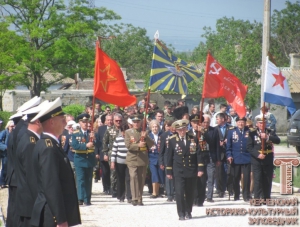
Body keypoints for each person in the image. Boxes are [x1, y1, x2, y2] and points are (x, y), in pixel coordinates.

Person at [30, 97, 81, 227]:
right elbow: (51, 185)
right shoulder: (49, 148)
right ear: (51, 122)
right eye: (62, 120)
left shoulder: (52, 145)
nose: (65, 123)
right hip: (50, 215)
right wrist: (60, 219)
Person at [6, 96, 41, 227]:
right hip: (20, 178)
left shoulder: (19, 128)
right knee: (18, 215)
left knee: (15, 213)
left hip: (15, 176)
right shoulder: (24, 131)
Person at [15, 100, 48, 226]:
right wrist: (40, 204)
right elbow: (32, 177)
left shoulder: (30, 139)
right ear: (38, 121)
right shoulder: (30, 143)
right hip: (30, 203)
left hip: (28, 202)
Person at [166, 119, 202, 220]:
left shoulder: (193, 138)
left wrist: (200, 168)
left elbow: (198, 155)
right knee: (179, 192)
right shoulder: (172, 140)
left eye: (184, 129)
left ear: (186, 129)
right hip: (179, 170)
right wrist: (169, 171)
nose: (182, 131)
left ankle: (188, 211)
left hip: (191, 170)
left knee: (190, 192)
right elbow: (169, 157)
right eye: (180, 129)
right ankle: (181, 213)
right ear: (176, 130)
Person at [247, 115, 280, 200]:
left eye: (264, 123)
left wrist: (268, 137)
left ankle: (266, 197)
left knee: (267, 178)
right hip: (257, 159)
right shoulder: (252, 133)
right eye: (260, 123)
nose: (262, 125)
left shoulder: (270, 132)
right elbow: (249, 147)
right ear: (257, 124)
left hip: (268, 158)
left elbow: (278, 140)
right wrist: (257, 155)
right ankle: (257, 198)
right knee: (257, 179)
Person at [124, 114, 154, 206]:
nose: (136, 124)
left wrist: (145, 137)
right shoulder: (128, 132)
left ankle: (140, 198)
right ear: (132, 123)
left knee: (141, 178)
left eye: (138, 122)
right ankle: (134, 198)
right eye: (134, 122)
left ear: (141, 123)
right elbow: (128, 145)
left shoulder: (144, 132)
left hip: (142, 158)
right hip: (132, 158)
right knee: (133, 177)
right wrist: (138, 146)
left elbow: (151, 144)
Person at [72, 113, 96, 206]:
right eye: (83, 122)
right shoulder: (75, 134)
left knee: (89, 180)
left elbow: (98, 144)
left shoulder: (91, 133)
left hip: (89, 159)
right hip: (80, 159)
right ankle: (80, 198)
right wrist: (85, 145)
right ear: (79, 123)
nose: (85, 124)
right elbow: (74, 145)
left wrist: (94, 139)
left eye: (86, 121)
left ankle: (87, 199)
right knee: (80, 180)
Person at [226, 117, 251, 202]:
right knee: (235, 177)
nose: (241, 124)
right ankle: (236, 194)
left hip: (247, 157)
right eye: (239, 122)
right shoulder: (231, 131)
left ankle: (246, 195)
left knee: (247, 177)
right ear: (236, 123)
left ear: (245, 123)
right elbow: (228, 146)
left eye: (242, 122)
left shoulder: (249, 131)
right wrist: (229, 155)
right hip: (235, 157)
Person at [213, 112, 234, 198]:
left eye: (217, 119)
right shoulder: (215, 129)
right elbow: (212, 140)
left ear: (222, 119)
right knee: (219, 173)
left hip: (229, 153)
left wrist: (228, 141)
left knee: (230, 172)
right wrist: (218, 143)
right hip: (219, 153)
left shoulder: (231, 128)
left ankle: (230, 189)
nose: (216, 120)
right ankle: (220, 190)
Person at [102, 113, 123, 197]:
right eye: (116, 121)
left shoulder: (124, 129)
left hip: (122, 153)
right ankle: (113, 189)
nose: (118, 122)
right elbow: (104, 142)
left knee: (121, 172)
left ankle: (121, 190)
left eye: (120, 121)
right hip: (112, 153)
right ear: (114, 121)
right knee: (113, 172)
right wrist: (105, 153)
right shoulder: (109, 130)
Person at [110, 125, 132, 203]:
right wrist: (112, 162)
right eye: (123, 131)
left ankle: (129, 196)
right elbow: (114, 151)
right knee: (120, 179)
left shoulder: (131, 140)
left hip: (129, 161)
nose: (124, 133)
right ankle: (121, 196)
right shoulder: (118, 139)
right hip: (119, 162)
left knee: (129, 179)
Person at [95, 114, 113, 194]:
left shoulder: (115, 128)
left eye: (111, 120)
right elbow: (98, 141)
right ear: (105, 121)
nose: (110, 121)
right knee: (105, 172)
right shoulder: (101, 129)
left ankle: (112, 188)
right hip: (103, 153)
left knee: (112, 172)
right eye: (108, 120)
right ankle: (106, 188)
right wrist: (97, 153)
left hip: (113, 153)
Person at [159, 120, 176, 202]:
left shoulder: (178, 135)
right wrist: (161, 162)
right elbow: (161, 150)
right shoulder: (164, 135)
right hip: (167, 159)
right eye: (171, 126)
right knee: (168, 177)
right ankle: (169, 195)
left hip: (176, 159)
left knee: (176, 177)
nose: (173, 128)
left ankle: (176, 194)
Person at [148, 120, 164, 198]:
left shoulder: (162, 135)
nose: (155, 128)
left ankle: (158, 192)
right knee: (154, 174)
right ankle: (154, 193)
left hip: (160, 158)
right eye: (153, 127)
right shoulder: (148, 136)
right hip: (151, 157)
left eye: (156, 126)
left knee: (160, 174)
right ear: (151, 128)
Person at [0, 120, 14, 188]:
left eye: (13, 126)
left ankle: (8, 181)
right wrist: (5, 147)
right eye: (11, 126)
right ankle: (2, 182)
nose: (12, 127)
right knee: (4, 167)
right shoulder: (4, 133)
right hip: (5, 153)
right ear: (8, 126)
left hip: (12, 153)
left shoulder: (14, 133)